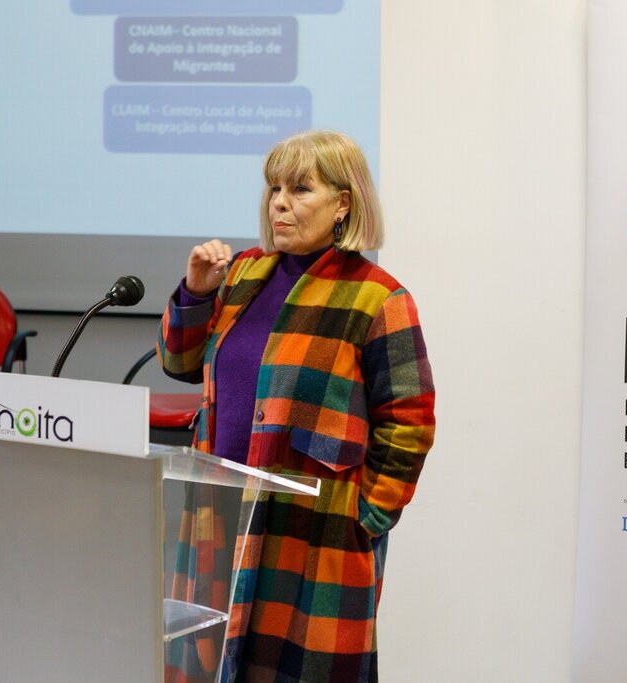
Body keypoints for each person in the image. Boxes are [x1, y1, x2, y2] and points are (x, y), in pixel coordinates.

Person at [158, 130, 436, 682]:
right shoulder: (243, 274)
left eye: (300, 189)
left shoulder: (379, 298)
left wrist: (367, 518)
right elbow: (179, 361)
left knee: (298, 669)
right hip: (219, 516)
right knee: (208, 663)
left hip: (311, 532)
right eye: (274, 189)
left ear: (343, 204)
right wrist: (196, 292)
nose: (279, 203)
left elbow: (410, 422)